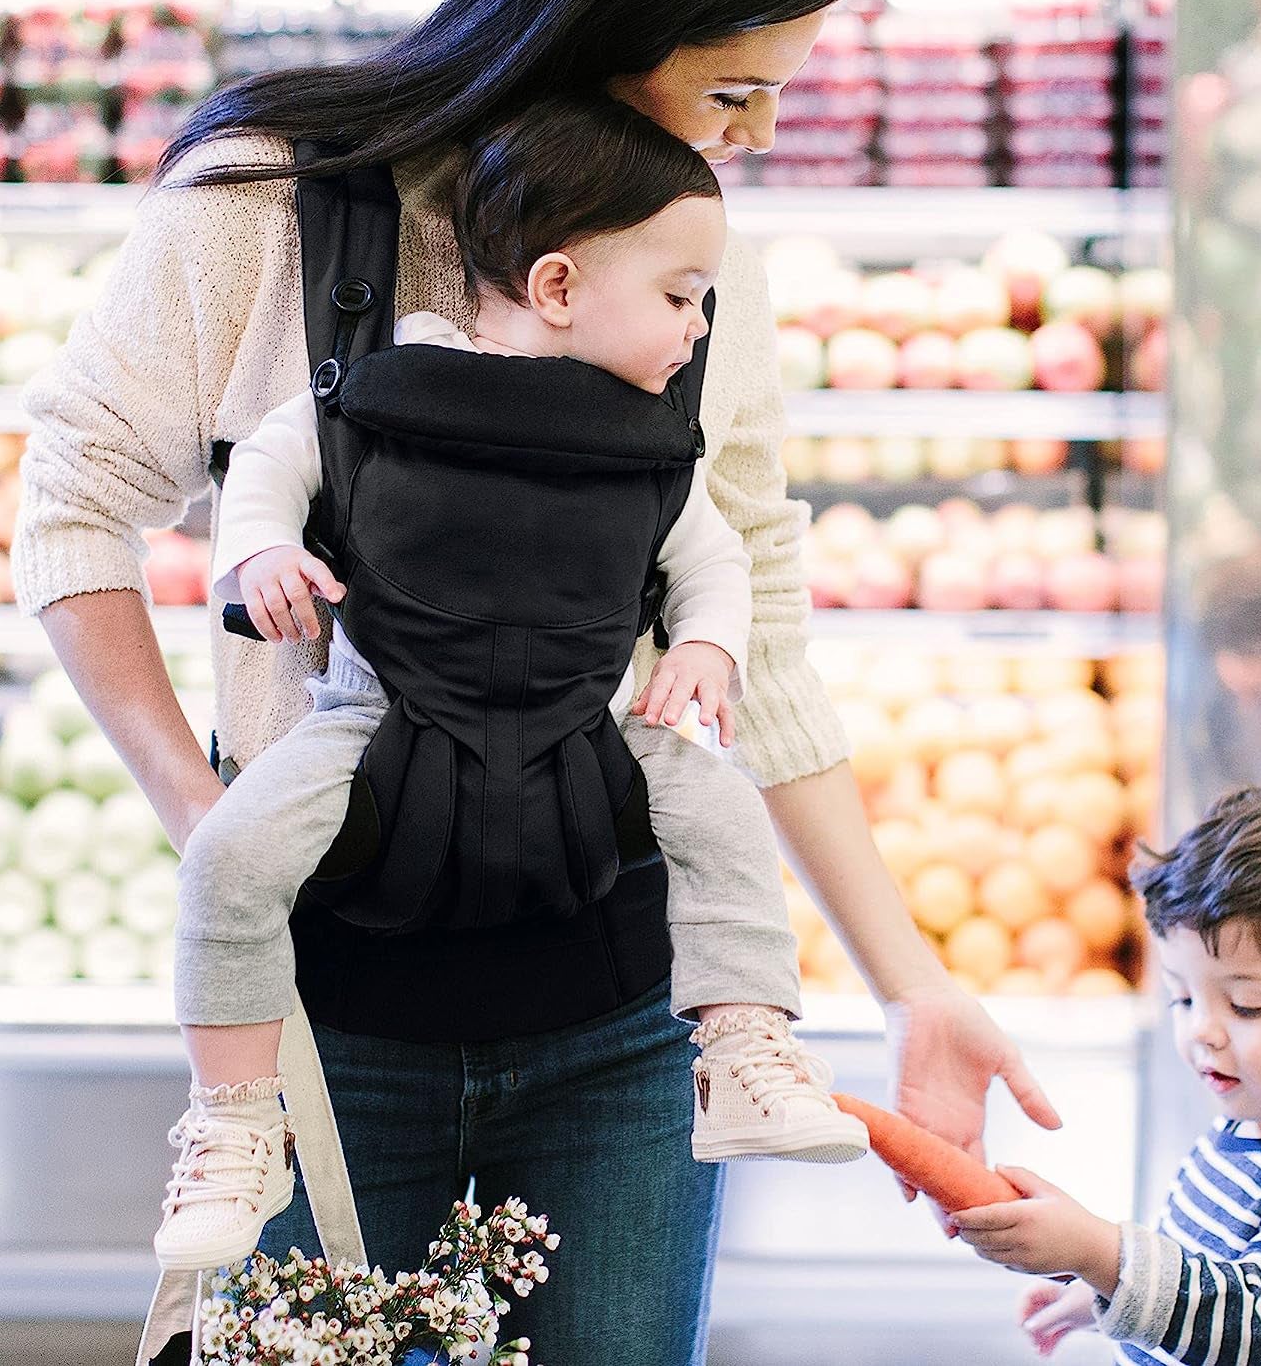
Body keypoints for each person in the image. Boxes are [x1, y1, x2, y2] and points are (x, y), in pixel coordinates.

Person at [12, 0, 1059, 1359]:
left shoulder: (699, 271)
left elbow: (751, 640)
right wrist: (201, 809)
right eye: (739, 88)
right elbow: (71, 507)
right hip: (324, 1027)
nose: (758, 134)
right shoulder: (277, 196)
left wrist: (913, 984)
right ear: (610, 31)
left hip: (620, 1029)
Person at [155, 94, 871, 1271]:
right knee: (228, 855)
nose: (700, 330)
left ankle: (744, 1043)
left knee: (722, 807)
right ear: (555, 289)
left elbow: (713, 558)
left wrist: (707, 646)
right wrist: (264, 551)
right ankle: (235, 1116)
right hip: (380, 724)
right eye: (682, 297)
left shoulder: (644, 443)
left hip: (584, 731)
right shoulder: (392, 383)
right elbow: (280, 464)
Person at [950, 780, 1261, 1366]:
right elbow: (1201, 1278)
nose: (1201, 1030)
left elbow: (1254, 1327)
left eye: (1246, 1005)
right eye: (1183, 999)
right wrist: (1101, 1296)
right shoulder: (1250, 1126)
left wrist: (1100, 1253)